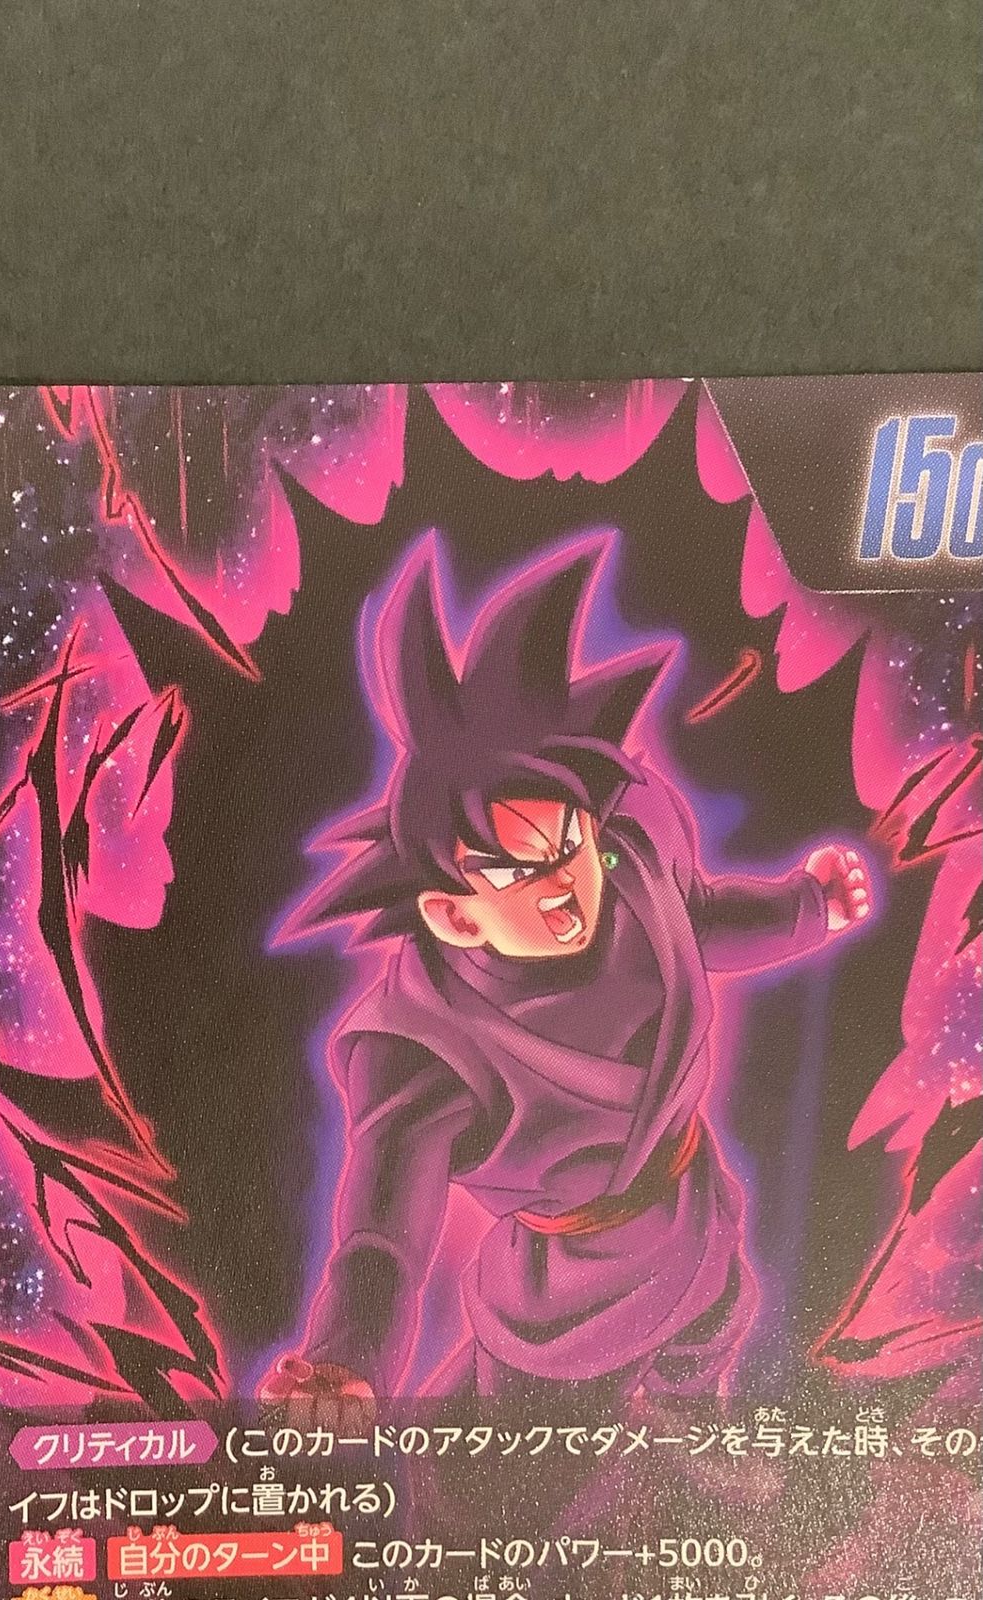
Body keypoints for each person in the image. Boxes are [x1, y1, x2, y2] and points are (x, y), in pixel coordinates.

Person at [261, 536, 869, 1425]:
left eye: (566, 847)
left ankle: (686, 1435)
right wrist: (346, 1355)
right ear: (452, 914)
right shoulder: (422, 1048)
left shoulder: (629, 848)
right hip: (565, 1298)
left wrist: (805, 909)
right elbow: (383, 1232)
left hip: (694, 1205)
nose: (560, 889)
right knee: (527, 1447)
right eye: (515, 872)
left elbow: (693, 920)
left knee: (707, 1343)